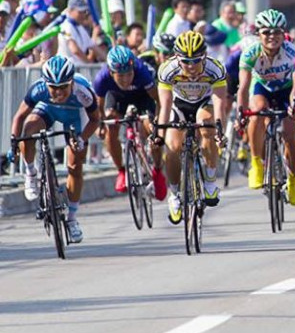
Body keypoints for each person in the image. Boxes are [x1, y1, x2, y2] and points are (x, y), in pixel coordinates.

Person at [11, 56, 100, 243]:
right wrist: (14, 142)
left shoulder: (83, 91)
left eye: (63, 88)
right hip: (48, 109)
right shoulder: (39, 89)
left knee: (75, 166)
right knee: (28, 131)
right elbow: (19, 117)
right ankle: (31, 173)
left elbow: (94, 120)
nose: (58, 92)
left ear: (72, 83)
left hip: (75, 116)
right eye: (54, 88)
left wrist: (82, 140)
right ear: (46, 83)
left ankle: (72, 219)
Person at [155, 31, 227, 223]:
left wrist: (220, 131)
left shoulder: (215, 69)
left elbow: (220, 103)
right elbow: (166, 104)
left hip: (204, 103)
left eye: (196, 61)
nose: (191, 66)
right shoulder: (167, 69)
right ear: (177, 58)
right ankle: (174, 194)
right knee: (172, 149)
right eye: (186, 61)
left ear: (204, 56)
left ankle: (210, 182)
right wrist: (159, 134)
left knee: (207, 129)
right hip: (179, 105)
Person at [236, 9, 295, 205]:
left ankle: (293, 179)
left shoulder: (293, 52)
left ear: (283, 34)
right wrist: (241, 112)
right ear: (258, 34)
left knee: (290, 134)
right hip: (261, 88)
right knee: (256, 112)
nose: (272, 37)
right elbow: (244, 87)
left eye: (277, 32)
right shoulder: (250, 53)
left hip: (287, 89)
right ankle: (256, 162)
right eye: (266, 32)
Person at [94, 46, 166, 199]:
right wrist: (100, 124)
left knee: (153, 131)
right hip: (118, 97)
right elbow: (98, 106)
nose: (126, 79)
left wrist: (158, 122)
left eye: (129, 74)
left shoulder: (142, 72)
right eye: (121, 76)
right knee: (110, 128)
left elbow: (158, 100)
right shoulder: (102, 78)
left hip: (143, 97)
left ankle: (158, 171)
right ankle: (121, 170)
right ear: (111, 72)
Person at [57, 0, 108, 64]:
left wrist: (108, 61)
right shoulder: (65, 27)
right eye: (80, 12)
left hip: (79, 68)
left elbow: (94, 47)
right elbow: (74, 49)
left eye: (84, 12)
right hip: (67, 68)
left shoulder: (80, 28)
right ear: (70, 10)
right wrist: (88, 64)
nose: (83, 15)